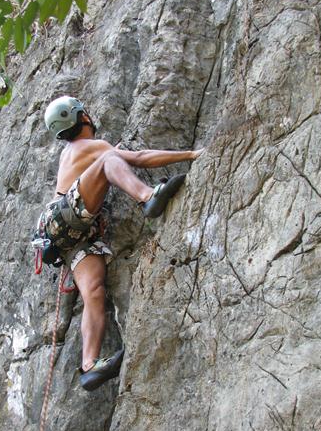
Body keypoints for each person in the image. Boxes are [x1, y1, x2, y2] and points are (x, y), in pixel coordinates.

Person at [41, 96, 204, 391]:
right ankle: (147, 196)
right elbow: (139, 157)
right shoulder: (91, 148)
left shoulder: (72, 152)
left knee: (93, 290)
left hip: (66, 235)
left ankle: (89, 365)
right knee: (110, 159)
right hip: (66, 215)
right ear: (83, 117)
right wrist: (191, 154)